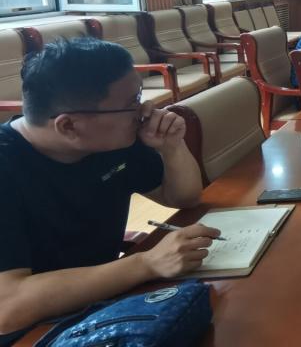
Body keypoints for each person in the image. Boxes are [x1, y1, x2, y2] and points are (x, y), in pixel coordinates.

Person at [0, 38, 219, 339]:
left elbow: (184, 198)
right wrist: (145, 263)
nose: (145, 110)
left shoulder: (111, 139)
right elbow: (8, 307)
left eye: (139, 95)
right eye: (131, 104)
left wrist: (171, 147)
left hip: (101, 304)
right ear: (68, 126)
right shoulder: (8, 166)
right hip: (33, 330)